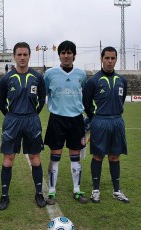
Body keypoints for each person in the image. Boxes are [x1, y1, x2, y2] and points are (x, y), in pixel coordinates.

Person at [0, 42, 47, 210]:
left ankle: (39, 193)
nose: (22, 57)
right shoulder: (6, 78)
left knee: (35, 158)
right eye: (19, 54)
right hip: (12, 120)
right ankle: (4, 196)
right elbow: (1, 102)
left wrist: (32, 113)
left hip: (32, 120)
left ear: (29, 56)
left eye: (25, 54)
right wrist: (12, 115)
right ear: (14, 56)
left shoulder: (37, 77)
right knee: (9, 158)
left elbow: (41, 99)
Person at [82, 46, 130, 203]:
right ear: (101, 59)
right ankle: (95, 190)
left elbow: (121, 101)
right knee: (98, 156)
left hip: (117, 121)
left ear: (116, 59)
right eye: (107, 58)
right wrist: (94, 118)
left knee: (115, 156)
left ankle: (117, 191)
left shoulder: (122, 81)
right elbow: (86, 103)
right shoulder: (93, 81)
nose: (110, 61)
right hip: (100, 122)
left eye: (113, 58)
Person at [44, 40, 88, 205]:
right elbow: (45, 90)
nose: (66, 56)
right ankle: (51, 191)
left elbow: (84, 90)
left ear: (74, 55)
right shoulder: (50, 74)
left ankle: (77, 190)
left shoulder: (81, 74)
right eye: (63, 53)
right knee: (55, 157)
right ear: (59, 55)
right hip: (57, 118)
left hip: (76, 119)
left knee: (75, 158)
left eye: (69, 53)